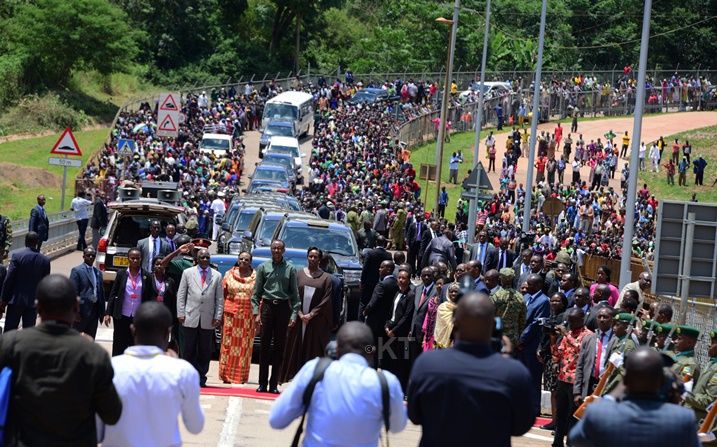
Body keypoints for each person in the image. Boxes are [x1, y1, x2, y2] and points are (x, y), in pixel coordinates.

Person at [0, 274, 122, 446]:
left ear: (37, 307)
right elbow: (112, 413)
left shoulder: (10, 344)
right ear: (76, 306)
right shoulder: (93, 354)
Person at [407, 292, 535, 446]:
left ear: (454, 323)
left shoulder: (427, 364)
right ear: (494, 326)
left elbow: (415, 415)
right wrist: (506, 359)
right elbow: (521, 426)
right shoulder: (514, 373)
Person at [269, 322, 407, 445]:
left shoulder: (315, 370)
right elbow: (397, 426)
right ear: (372, 352)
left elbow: (277, 419)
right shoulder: (387, 382)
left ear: (336, 349)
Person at [102, 302, 204, 446]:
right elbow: (195, 426)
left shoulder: (108, 369)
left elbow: (97, 429)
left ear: (133, 330)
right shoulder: (183, 371)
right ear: (166, 333)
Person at [568, 347, 700, 447]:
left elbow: (575, 439)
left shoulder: (600, 412)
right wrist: (674, 402)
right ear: (661, 382)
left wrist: (611, 397)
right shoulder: (683, 418)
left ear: (625, 381)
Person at [251, 239, 301, 394]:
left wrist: (294, 314)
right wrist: (256, 313)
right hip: (267, 308)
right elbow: (256, 294)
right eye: (274, 248)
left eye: (279, 248)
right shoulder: (263, 268)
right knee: (264, 347)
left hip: (283, 309)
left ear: (284, 250)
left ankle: (274, 384)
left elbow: (295, 296)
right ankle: (262, 383)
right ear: (270, 250)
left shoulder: (290, 269)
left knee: (279, 348)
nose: (276, 251)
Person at [281, 247, 333, 383]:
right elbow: (291, 295)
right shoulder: (298, 274)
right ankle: (293, 375)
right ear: (307, 257)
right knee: (294, 346)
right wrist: (298, 313)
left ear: (320, 259)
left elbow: (326, 299)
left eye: (315, 257)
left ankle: (310, 378)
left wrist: (311, 314)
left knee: (312, 347)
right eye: (310, 256)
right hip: (298, 318)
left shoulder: (326, 278)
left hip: (314, 321)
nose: (312, 259)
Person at [177, 248, 224, 387]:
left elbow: (219, 299)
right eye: (202, 257)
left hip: (207, 318)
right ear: (197, 259)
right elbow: (181, 295)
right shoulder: (187, 273)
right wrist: (181, 313)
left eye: (207, 257)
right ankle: (188, 376)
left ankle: (201, 377)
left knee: (205, 350)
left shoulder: (216, 275)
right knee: (188, 348)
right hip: (190, 316)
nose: (205, 260)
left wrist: (218, 316)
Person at [550, 308, 592, 447]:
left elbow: (581, 352)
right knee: (560, 413)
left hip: (576, 381)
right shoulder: (568, 334)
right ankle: (557, 442)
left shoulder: (588, 336)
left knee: (573, 415)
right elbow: (559, 353)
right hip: (563, 378)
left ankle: (571, 443)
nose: (571, 324)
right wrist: (553, 340)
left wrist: (566, 336)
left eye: (573, 321)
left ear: (581, 320)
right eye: (569, 321)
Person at [106, 247, 156, 356]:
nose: (135, 261)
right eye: (132, 258)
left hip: (138, 317)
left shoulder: (146, 276)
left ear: (141, 259)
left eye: (137, 258)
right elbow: (113, 293)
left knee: (135, 344)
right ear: (128, 259)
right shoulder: (121, 274)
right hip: (122, 315)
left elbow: (151, 297)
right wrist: (108, 313)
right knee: (119, 343)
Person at [1, 231, 51, 331]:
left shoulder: (17, 256)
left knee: (10, 331)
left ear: (25, 241)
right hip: (33, 303)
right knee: (29, 333)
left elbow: (9, 278)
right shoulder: (45, 260)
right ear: (37, 242)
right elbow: (46, 284)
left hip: (15, 301)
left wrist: (3, 299)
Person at [219, 251, 256, 384]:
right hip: (230, 315)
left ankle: (240, 377)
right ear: (238, 260)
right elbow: (222, 294)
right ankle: (226, 376)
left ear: (250, 262)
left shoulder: (255, 276)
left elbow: (258, 297)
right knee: (228, 345)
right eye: (241, 259)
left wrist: (258, 316)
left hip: (248, 317)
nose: (244, 261)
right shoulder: (229, 274)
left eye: (246, 260)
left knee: (244, 348)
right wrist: (220, 315)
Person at [518, 273, 551, 415]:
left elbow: (535, 324)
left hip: (531, 345)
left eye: (530, 284)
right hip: (520, 346)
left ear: (538, 286)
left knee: (533, 378)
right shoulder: (525, 298)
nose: (526, 286)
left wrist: (521, 339)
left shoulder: (543, 301)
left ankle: (534, 408)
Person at [383, 269, 415, 389]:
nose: (401, 280)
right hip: (390, 330)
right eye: (399, 277)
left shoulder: (410, 295)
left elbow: (406, 316)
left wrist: (394, 331)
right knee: (392, 360)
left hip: (400, 333)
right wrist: (386, 326)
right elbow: (392, 312)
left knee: (402, 361)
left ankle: (402, 387)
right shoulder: (397, 293)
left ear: (408, 280)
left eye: (404, 278)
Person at [683, 328, 717, 442]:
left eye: (713, 342)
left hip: (704, 426)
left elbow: (709, 401)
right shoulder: (711, 364)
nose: (709, 344)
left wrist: (685, 395)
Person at [363, 260, 398, 367]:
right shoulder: (396, 284)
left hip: (375, 323)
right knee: (384, 351)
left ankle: (370, 370)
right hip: (387, 324)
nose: (379, 269)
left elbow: (373, 303)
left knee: (370, 349)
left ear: (388, 269)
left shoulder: (382, 285)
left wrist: (365, 312)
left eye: (381, 267)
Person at [69, 247, 105, 339]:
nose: (91, 257)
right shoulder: (77, 271)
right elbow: (73, 292)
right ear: (83, 256)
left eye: (93, 255)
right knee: (75, 339)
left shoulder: (98, 273)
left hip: (94, 312)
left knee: (90, 339)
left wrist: (102, 311)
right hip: (81, 312)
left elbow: (101, 292)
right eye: (88, 255)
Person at [491, 268, 526, 354]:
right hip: (513, 338)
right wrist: (519, 336)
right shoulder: (519, 297)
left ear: (500, 278)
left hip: (497, 336)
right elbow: (522, 320)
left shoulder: (495, 296)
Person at [359, 235, 392, 320]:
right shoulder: (388, 255)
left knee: (364, 303)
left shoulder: (370, 253)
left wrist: (362, 282)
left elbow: (365, 269)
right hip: (382, 283)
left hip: (369, 283)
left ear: (376, 242)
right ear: (384, 244)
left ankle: (360, 321)